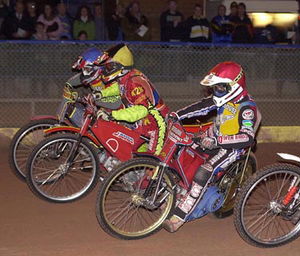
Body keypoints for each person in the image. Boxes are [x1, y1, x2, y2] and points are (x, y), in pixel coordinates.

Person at [163, 61, 262, 232]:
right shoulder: (224, 99)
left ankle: (179, 216)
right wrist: (176, 115)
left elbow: (247, 137)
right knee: (183, 150)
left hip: (231, 147)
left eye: (220, 87)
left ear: (234, 86)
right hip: (213, 137)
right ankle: (178, 189)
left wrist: (218, 141)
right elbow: (202, 107)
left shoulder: (247, 108)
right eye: (215, 88)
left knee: (204, 171)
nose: (216, 91)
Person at [93, 44, 169, 155]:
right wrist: (101, 94)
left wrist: (114, 115)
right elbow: (118, 87)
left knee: (152, 162)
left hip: (156, 123)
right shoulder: (126, 76)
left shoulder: (133, 82)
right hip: (143, 122)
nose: (105, 70)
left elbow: (142, 110)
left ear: (119, 66)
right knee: (131, 151)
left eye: (108, 67)